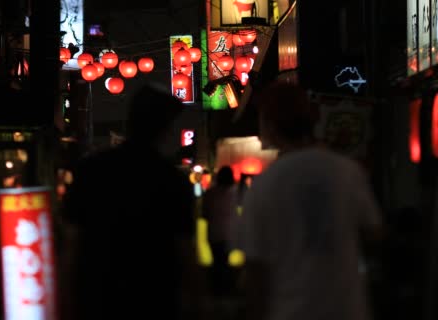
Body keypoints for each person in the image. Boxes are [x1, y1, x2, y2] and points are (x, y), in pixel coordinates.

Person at [240, 80, 383, 320]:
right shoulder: (346, 170)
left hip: (290, 311)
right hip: (347, 309)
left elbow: (255, 268)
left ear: (269, 125)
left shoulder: (264, 185)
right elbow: (374, 234)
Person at [62, 83, 201, 320]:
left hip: (97, 298)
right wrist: (197, 302)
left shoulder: (92, 170)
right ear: (164, 129)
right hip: (155, 300)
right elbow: (185, 251)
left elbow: (71, 243)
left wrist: (65, 302)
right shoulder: (171, 179)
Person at [202, 165, 239, 297]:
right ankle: (227, 289)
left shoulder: (210, 193)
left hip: (214, 233)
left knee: (216, 262)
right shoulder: (236, 193)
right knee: (225, 262)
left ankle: (215, 289)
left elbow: (204, 215)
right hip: (229, 233)